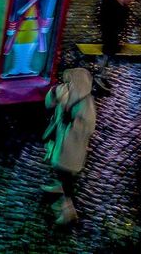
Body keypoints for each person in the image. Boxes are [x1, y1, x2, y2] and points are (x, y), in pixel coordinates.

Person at [42, 68, 96, 226]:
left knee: (66, 174)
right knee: (60, 169)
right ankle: (62, 188)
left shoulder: (86, 104)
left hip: (72, 147)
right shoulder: (68, 91)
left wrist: (71, 123)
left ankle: (69, 209)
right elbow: (50, 102)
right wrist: (52, 93)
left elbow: (88, 127)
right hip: (61, 140)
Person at [94, 0, 135, 93]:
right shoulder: (112, 1)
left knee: (108, 54)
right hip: (110, 34)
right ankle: (100, 76)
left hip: (111, 34)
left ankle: (102, 76)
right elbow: (114, 18)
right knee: (107, 54)